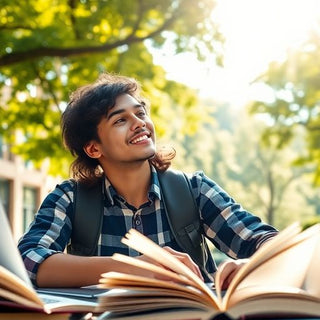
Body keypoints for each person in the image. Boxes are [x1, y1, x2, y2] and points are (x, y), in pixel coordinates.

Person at [18, 73, 278, 289]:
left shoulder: (194, 190)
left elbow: (267, 240)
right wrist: (132, 268)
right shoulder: (70, 198)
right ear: (94, 149)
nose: (139, 123)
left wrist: (250, 266)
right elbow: (27, 260)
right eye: (120, 119)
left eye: (140, 113)